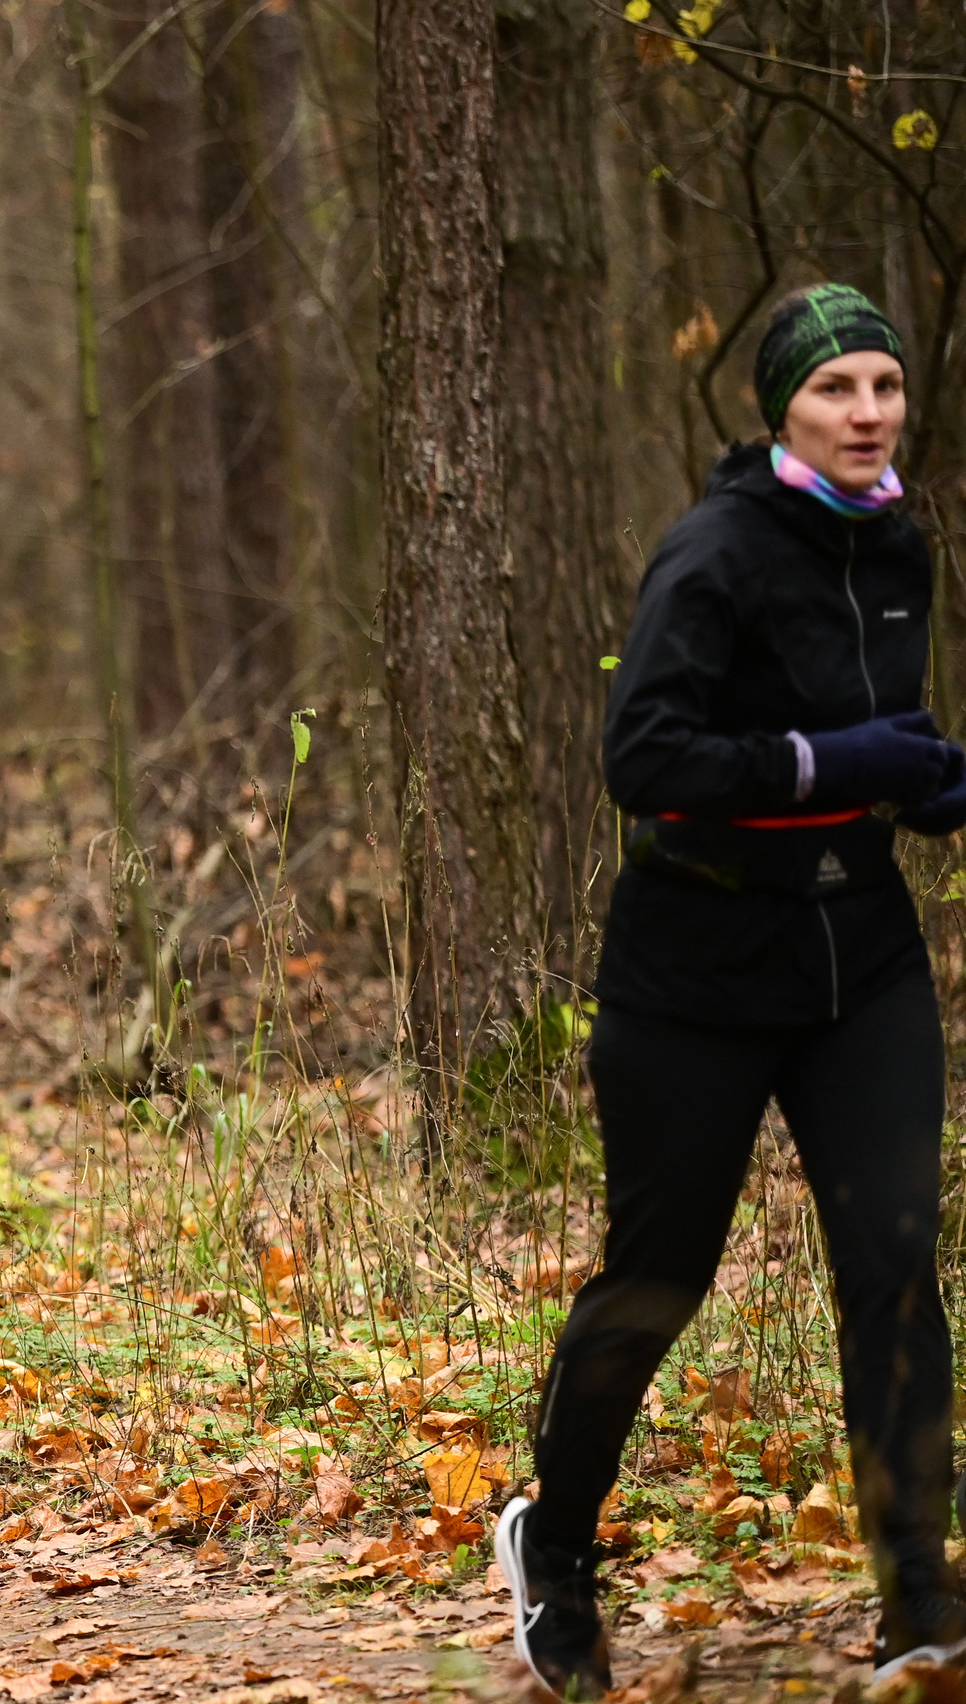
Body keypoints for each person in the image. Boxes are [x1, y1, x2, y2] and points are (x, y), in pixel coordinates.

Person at [495, 285, 966, 1697]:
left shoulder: (899, 547)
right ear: (781, 411)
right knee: (658, 1278)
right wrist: (836, 765)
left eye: (884, 385)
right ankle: (553, 1547)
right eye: (836, 390)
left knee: (893, 1269)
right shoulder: (711, 552)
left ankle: (921, 1603)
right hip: (694, 965)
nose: (868, 413)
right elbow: (643, 758)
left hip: (858, 956)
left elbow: (877, 740)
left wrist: (923, 783)